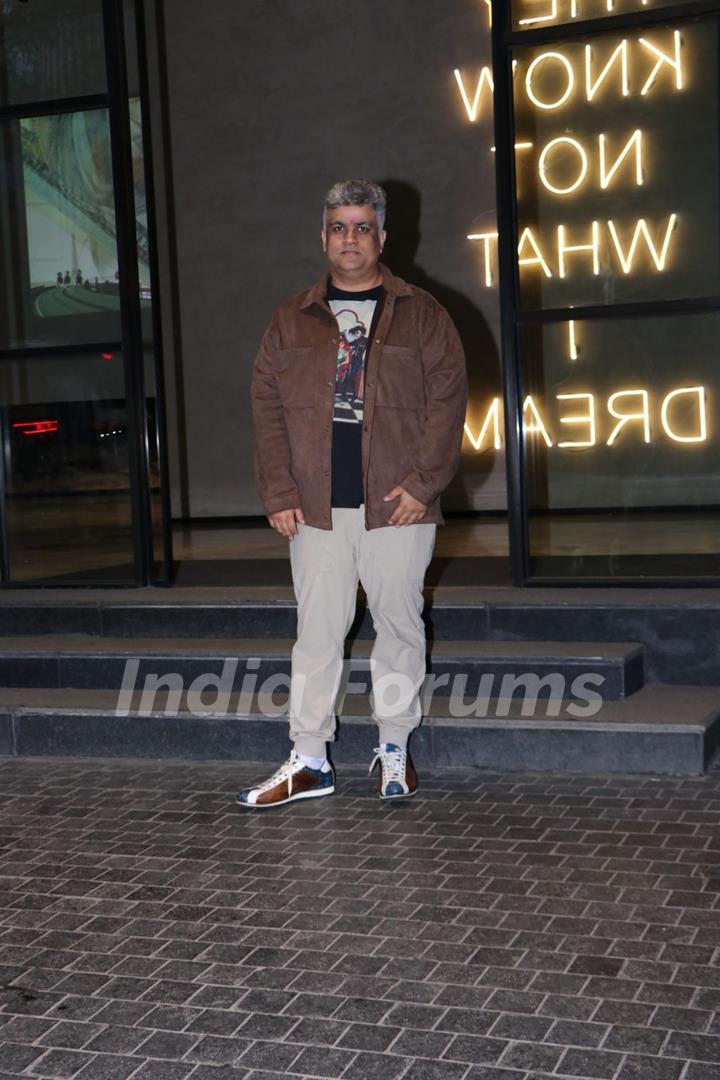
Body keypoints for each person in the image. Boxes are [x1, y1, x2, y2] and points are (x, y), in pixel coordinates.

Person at [238, 179, 467, 810]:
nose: (350, 238)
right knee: (317, 632)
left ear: (382, 237)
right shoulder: (291, 320)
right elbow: (266, 407)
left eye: (362, 227)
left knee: (398, 624)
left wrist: (424, 485)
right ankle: (310, 758)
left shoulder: (423, 314)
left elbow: (448, 403)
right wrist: (279, 489)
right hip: (315, 505)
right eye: (339, 227)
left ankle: (394, 747)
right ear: (323, 237)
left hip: (398, 505)